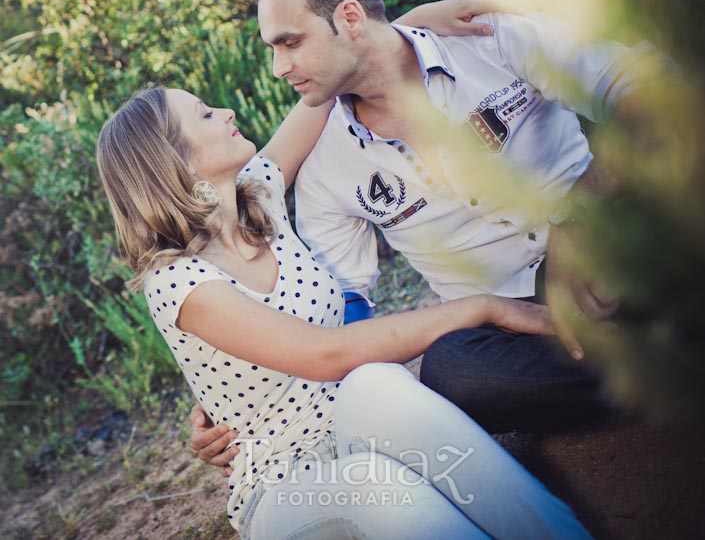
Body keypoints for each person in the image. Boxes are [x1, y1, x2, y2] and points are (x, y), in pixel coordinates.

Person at [190, 0, 666, 470]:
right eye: (272, 48)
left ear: (350, 17)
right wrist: (242, 404)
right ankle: (659, 365)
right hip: (516, 326)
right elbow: (342, 310)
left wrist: (580, 221)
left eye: (290, 42)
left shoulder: (486, 36)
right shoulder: (323, 168)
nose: (279, 67)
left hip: (611, 248)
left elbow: (651, 91)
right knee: (453, 372)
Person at [97, 86, 593, 539]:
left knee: (374, 381)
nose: (226, 111)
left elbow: (325, 77)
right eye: (205, 115)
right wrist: (483, 307)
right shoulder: (177, 282)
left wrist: (425, 19)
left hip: (363, 427)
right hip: (284, 484)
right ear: (173, 161)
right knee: (377, 488)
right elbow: (326, 354)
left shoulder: (260, 201)